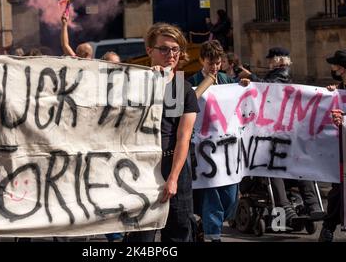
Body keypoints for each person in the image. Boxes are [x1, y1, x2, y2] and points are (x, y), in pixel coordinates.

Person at [126, 23, 199, 242]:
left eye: (175, 49)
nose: (171, 54)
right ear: (150, 51)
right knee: (142, 237)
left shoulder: (181, 88)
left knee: (178, 231)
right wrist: (151, 82)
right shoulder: (133, 83)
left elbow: (183, 137)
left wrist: (174, 178)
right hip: (141, 169)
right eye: (164, 49)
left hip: (174, 168)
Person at [239, 47, 323, 228]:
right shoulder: (283, 75)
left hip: (276, 133)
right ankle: (312, 205)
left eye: (271, 59)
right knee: (296, 167)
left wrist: (251, 78)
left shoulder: (279, 76)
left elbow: (267, 88)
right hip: (282, 132)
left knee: (275, 167)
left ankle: (288, 206)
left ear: (278, 60)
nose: (269, 62)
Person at [188, 40, 249, 242]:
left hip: (227, 151)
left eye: (217, 63)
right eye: (210, 63)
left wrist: (244, 86)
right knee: (211, 192)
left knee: (230, 195)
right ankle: (213, 235)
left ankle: (204, 224)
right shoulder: (192, 82)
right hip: (204, 150)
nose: (214, 67)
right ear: (201, 61)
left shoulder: (227, 81)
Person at [319, 49, 346, 242]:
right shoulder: (339, 90)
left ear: (341, 68)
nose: (331, 67)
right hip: (343, 149)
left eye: (334, 65)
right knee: (338, 189)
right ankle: (328, 228)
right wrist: (331, 95)